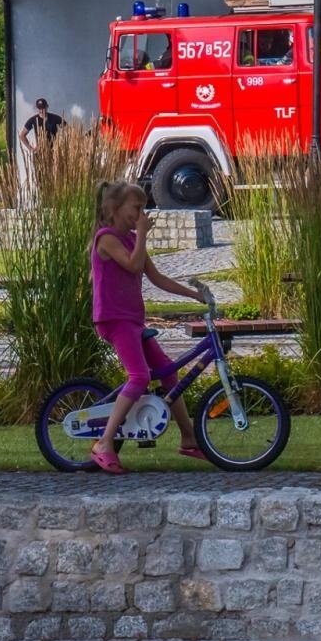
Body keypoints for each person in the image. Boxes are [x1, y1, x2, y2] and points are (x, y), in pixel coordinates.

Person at [88, 181, 208, 474]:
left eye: (143, 208)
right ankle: (104, 443)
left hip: (133, 320)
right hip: (114, 320)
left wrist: (194, 295)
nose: (142, 213)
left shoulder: (131, 239)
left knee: (168, 371)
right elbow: (132, 265)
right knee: (139, 377)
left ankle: (189, 437)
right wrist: (141, 234)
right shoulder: (106, 238)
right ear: (115, 209)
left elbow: (155, 277)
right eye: (137, 208)